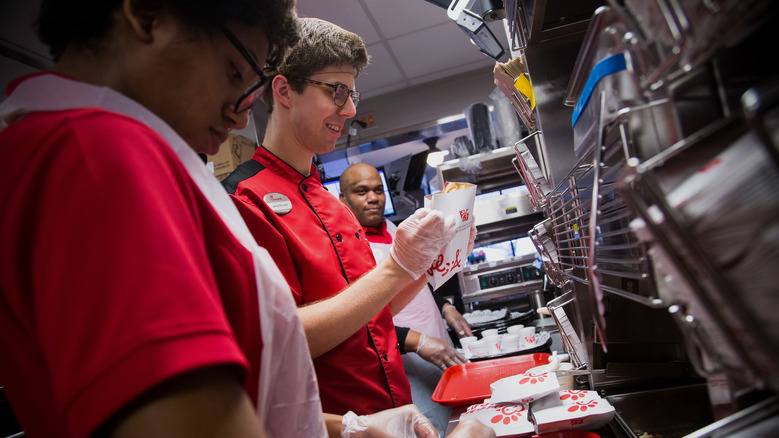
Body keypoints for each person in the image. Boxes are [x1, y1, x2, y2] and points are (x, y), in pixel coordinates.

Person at [0, 1, 494, 438]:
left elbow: (241, 382)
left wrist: (347, 428)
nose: (241, 116)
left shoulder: (53, 142)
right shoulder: (98, 155)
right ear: (147, 13)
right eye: (236, 72)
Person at [220, 16, 480, 427]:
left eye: (353, 94)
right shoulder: (245, 198)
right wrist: (398, 266)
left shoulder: (331, 202)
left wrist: (428, 260)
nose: (352, 109)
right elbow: (283, 339)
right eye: (337, 92)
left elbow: (372, 312)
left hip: (393, 416)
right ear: (284, 89)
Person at [339, 162, 475, 435]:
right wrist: (416, 341)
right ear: (343, 199)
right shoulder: (345, 249)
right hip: (404, 361)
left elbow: (418, 277)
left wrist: (445, 307)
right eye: (361, 191)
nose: (373, 198)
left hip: (438, 344)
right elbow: (360, 318)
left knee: (457, 419)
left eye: (378, 190)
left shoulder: (394, 229)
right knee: (428, 426)